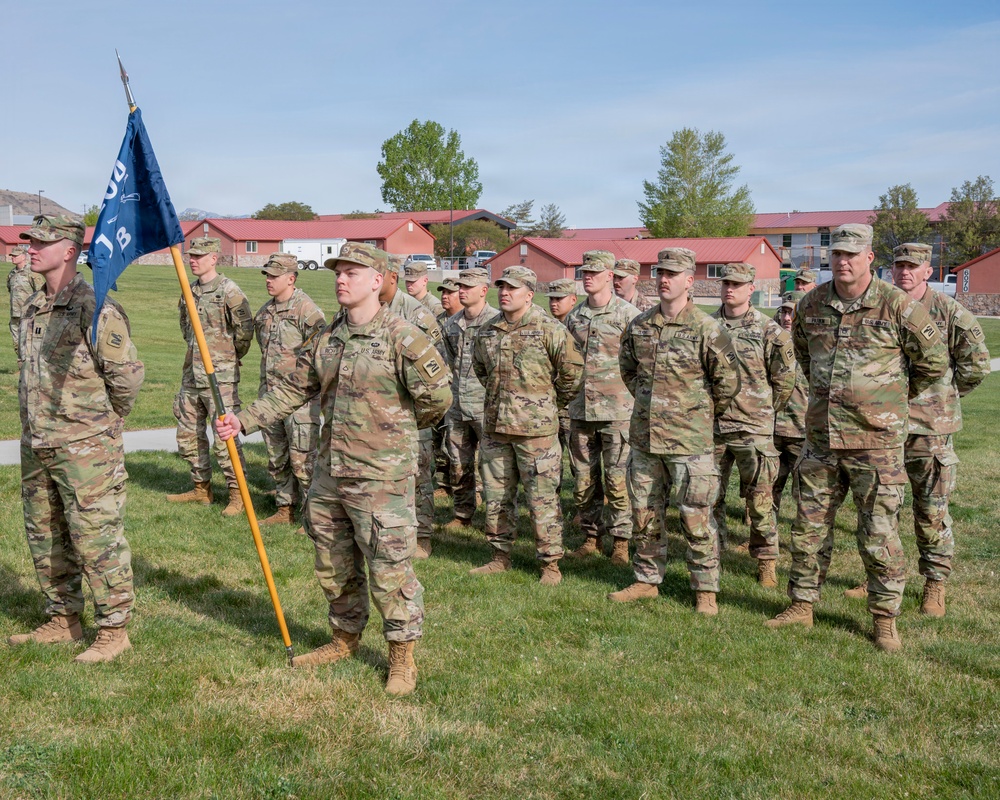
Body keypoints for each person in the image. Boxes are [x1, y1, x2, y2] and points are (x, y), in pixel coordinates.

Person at [216, 242, 452, 695]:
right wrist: (243, 420)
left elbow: (437, 399)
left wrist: (392, 435)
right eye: (338, 272)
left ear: (378, 281)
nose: (341, 279)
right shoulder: (328, 339)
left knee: (390, 568)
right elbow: (291, 388)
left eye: (352, 272)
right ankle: (343, 639)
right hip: (330, 474)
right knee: (334, 563)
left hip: (382, 478)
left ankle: (402, 657)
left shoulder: (403, 337)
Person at [766, 224, 949, 652]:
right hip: (821, 441)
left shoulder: (897, 306)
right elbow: (805, 359)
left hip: (876, 444)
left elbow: (933, 363)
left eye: (852, 253)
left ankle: (885, 618)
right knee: (808, 529)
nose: (843, 261)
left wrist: (888, 400)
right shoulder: (812, 303)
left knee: (879, 533)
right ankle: (802, 605)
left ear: (870, 257)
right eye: (837, 254)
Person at [9, 215, 144, 663]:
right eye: (30, 240)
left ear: (69, 250)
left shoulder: (95, 306)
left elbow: (126, 379)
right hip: (39, 441)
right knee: (44, 531)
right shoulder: (32, 306)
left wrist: (100, 426)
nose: (32, 248)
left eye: (42, 242)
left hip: (86, 446)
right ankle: (62, 618)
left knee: (95, 535)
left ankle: (114, 628)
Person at [843, 242, 990, 615]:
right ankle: (879, 576)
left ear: (929, 271)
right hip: (882, 428)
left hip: (929, 430)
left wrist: (943, 399)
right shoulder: (881, 304)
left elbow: (975, 365)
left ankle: (934, 584)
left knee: (931, 510)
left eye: (913, 266)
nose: (904, 272)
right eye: (899, 265)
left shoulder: (949, 312)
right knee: (879, 509)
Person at [611, 248, 739, 614]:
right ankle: (647, 579)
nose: (664, 279)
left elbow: (727, 383)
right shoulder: (640, 325)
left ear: (689, 281)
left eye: (672, 273)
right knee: (644, 514)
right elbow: (628, 370)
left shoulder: (707, 328)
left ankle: (705, 589)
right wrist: (654, 402)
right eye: (659, 272)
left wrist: (692, 412)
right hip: (645, 439)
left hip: (690, 442)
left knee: (697, 517)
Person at [470, 266, 583, 585]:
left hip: (537, 433)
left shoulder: (549, 329)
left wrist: (548, 404)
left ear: (529, 295)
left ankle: (550, 564)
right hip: (496, 430)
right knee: (496, 497)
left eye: (512, 289)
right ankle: (499, 556)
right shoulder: (488, 330)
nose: (504, 293)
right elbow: (481, 368)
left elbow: (572, 372)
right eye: (501, 287)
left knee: (542, 499)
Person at [710, 263, 795, 587]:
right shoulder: (706, 326)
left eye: (737, 284)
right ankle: (712, 555)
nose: (730, 289)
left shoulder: (769, 330)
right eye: (726, 283)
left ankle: (766, 563)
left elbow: (785, 379)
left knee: (760, 501)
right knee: (709, 498)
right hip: (713, 428)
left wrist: (764, 411)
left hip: (753, 430)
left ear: (751, 288)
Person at [166, 237, 253, 516]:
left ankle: (237, 493)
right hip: (191, 374)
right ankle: (201, 488)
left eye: (200, 256)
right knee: (188, 433)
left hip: (221, 377)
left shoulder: (230, 291)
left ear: (214, 258)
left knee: (224, 438)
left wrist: (226, 357)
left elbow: (244, 334)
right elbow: (184, 326)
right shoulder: (188, 290)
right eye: (191, 255)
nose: (193, 260)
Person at [564, 251, 639, 565]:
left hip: (617, 412)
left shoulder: (628, 315)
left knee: (617, 481)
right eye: (584, 272)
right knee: (583, 480)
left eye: (595, 272)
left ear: (610, 275)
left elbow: (642, 363)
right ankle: (591, 537)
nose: (588, 277)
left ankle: (621, 542)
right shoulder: (575, 316)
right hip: (581, 411)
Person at [379, 255, 446, 559]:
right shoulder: (361, 310)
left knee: (418, 477)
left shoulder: (417, 315)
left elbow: (437, 371)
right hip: (377, 413)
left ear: (389, 277)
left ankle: (422, 536)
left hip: (412, 414)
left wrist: (421, 419)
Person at [253, 252, 326, 527]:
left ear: (291, 278)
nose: (269, 281)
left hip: (300, 401)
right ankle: (284, 508)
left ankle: (313, 517)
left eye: (274, 276)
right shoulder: (265, 311)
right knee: (277, 456)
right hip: (270, 397)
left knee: (304, 460)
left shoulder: (307, 311)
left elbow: (321, 353)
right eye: (267, 276)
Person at [440, 268, 499, 530]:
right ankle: (462, 515)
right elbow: (449, 363)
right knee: (459, 463)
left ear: (483, 291)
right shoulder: (451, 324)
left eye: (468, 287)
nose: (461, 291)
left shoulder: (496, 322)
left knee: (493, 466)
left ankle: (497, 519)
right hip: (458, 406)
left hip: (487, 406)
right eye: (459, 286)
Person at [772, 291, 808, 517]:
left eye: (792, 312)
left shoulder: (814, 346)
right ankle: (763, 532)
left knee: (804, 490)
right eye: (784, 311)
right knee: (766, 485)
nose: (787, 317)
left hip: (801, 430)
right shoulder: (770, 342)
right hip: (771, 429)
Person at [545, 277, 579, 485]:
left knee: (578, 459)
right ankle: (553, 499)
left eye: (559, 298)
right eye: (551, 299)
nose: (554, 303)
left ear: (573, 299)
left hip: (571, 403)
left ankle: (582, 507)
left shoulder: (578, 327)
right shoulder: (547, 326)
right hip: (549, 403)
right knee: (549, 458)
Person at [7, 243, 43, 361]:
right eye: (12, 255)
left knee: (29, 342)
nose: (13, 257)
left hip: (29, 315)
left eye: (16, 256)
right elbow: (10, 290)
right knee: (16, 342)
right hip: (15, 314)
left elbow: (40, 293)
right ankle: (21, 367)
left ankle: (31, 366)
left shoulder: (32, 272)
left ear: (23, 256)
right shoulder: (11, 274)